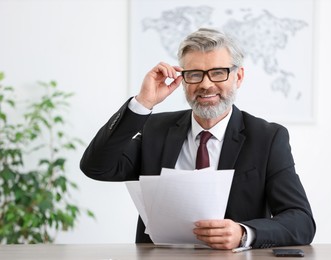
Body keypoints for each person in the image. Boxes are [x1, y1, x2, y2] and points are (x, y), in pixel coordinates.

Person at [80, 28, 316, 250]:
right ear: (183, 79)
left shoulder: (267, 138)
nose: (205, 84)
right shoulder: (156, 129)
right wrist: (143, 103)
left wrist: (244, 233)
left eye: (217, 72)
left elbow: (301, 221)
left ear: (239, 77)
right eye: (194, 74)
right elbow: (97, 167)